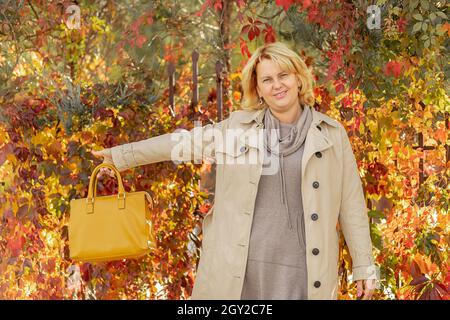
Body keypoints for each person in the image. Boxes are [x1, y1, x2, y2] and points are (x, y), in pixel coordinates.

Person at [92, 42, 377, 300]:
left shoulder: (331, 134)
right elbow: (180, 143)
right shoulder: (237, 130)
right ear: (258, 89)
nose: (277, 85)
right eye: (267, 79)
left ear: (299, 79)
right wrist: (119, 157)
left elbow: (351, 204)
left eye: (283, 76)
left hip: (305, 272)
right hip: (241, 272)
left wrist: (364, 265)